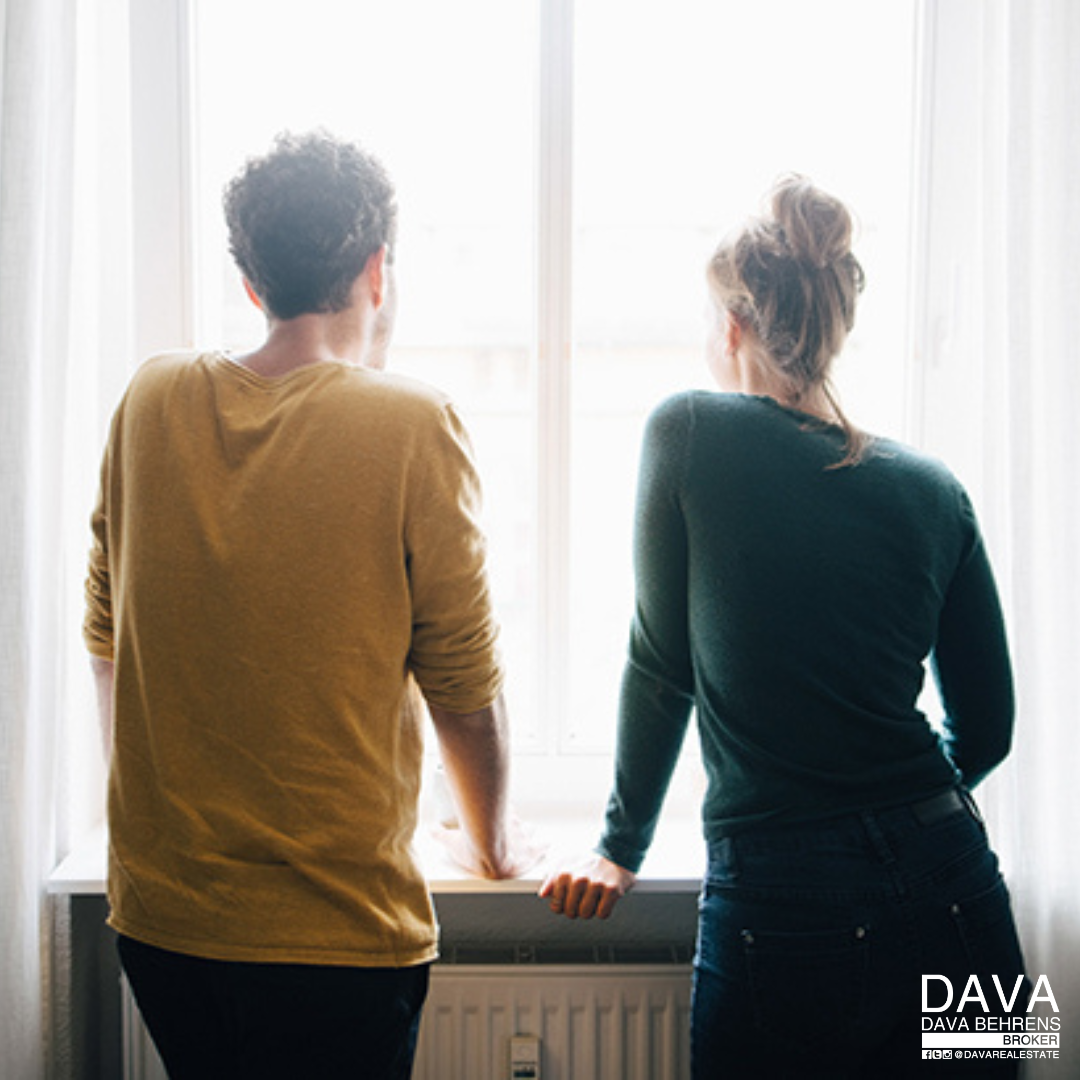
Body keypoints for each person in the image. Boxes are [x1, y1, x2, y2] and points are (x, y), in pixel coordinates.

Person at [540, 176, 1028, 1077]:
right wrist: (894, 806)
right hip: (960, 886)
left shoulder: (689, 430)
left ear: (730, 326)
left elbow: (660, 665)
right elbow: (990, 731)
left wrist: (619, 847)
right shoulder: (935, 489)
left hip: (786, 897)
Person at [84, 130, 538, 1080]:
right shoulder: (410, 422)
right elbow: (463, 681)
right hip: (334, 937)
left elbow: (107, 632)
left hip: (165, 925)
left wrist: (159, 813)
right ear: (378, 269)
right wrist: (493, 844)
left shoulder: (149, 399)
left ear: (252, 280)